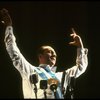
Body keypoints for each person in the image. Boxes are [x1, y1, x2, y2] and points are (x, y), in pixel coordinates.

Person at [0, 8, 88, 99]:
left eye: (54, 53)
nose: (54, 55)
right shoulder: (30, 71)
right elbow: (14, 52)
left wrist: (80, 47)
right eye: (50, 52)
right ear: (40, 56)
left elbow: (81, 68)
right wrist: (9, 27)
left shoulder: (61, 76)